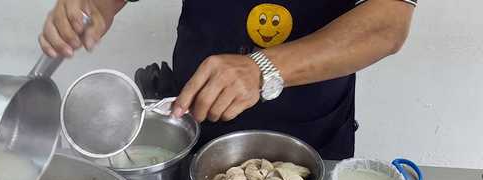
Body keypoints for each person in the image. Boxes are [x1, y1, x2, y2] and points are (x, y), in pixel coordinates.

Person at [39, 0, 416, 159]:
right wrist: (91, 8)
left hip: (311, 133)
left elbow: (387, 24)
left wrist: (263, 68)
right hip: (195, 120)